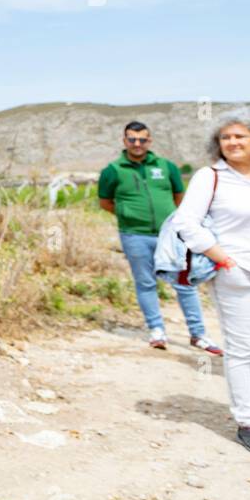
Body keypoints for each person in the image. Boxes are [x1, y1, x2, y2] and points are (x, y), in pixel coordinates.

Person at [172, 110, 250, 453]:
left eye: (241, 136)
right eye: (226, 137)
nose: (233, 142)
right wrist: (222, 257)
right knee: (243, 349)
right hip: (237, 272)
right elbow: (186, 223)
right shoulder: (211, 176)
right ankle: (248, 421)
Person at [98, 121, 220, 354]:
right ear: (124, 141)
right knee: (146, 283)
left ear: (149, 141)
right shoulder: (113, 170)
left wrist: (172, 225)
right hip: (134, 235)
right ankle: (157, 330)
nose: (137, 144)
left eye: (142, 139)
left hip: (172, 236)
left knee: (185, 282)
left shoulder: (167, 167)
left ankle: (198, 334)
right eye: (132, 139)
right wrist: (128, 215)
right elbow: (105, 202)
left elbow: (179, 197)